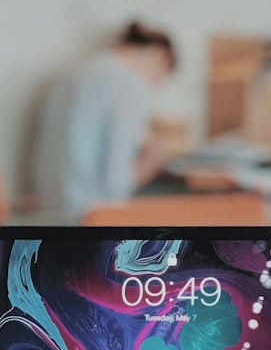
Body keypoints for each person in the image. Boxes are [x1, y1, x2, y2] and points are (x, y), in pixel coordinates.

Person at [31, 21, 177, 218]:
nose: (153, 85)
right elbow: (115, 184)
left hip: (48, 210)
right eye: (160, 76)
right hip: (88, 219)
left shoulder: (70, 73)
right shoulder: (128, 84)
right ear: (157, 54)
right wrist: (150, 162)